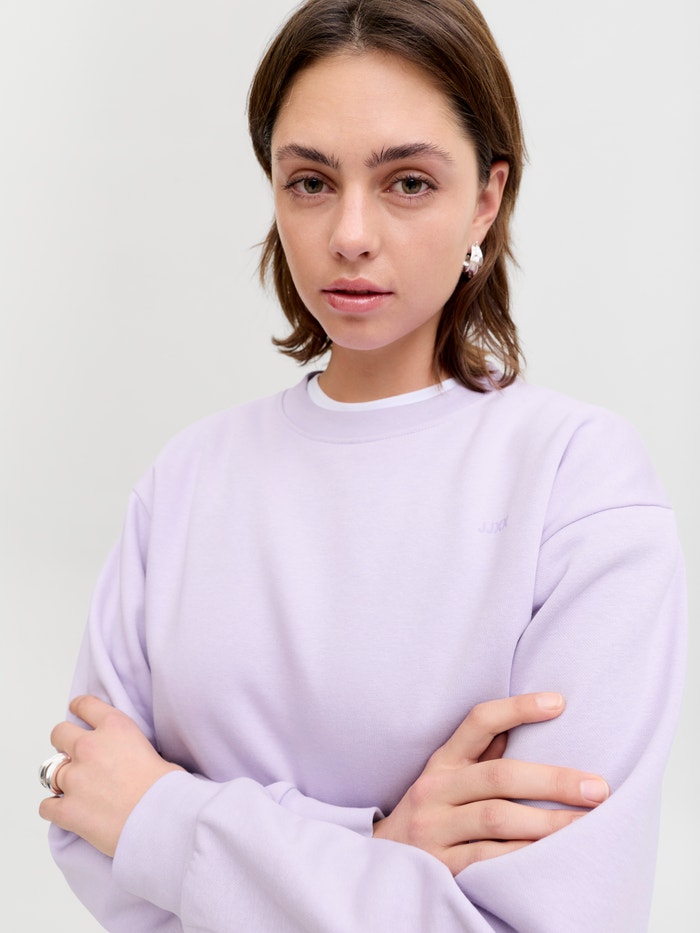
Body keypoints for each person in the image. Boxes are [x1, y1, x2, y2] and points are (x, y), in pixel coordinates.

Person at [38, 0, 686, 930]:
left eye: (408, 182)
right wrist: (384, 848)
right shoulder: (185, 481)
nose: (350, 233)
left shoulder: (576, 482)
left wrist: (168, 820)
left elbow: (544, 920)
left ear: (487, 197)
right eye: (310, 181)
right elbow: (88, 811)